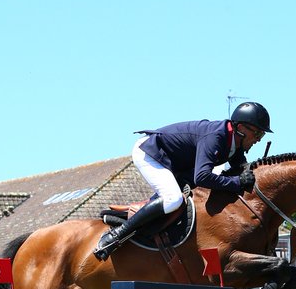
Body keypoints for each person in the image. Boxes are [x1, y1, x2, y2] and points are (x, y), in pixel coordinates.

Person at [93, 102, 273, 260]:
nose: (258, 140)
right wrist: (236, 182)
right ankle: (114, 236)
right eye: (257, 133)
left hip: (177, 162)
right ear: (240, 128)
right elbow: (201, 177)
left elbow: (241, 170)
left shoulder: (234, 144)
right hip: (151, 152)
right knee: (173, 199)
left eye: (262, 135)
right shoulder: (216, 137)